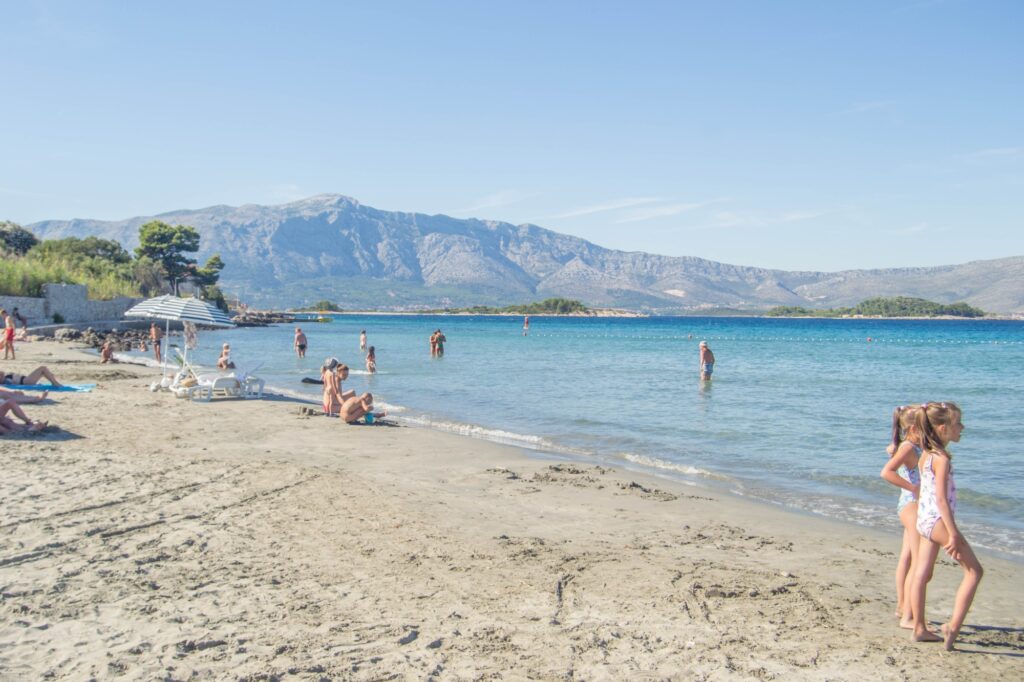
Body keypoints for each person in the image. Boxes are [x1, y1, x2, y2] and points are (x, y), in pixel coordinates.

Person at [908, 401, 981, 651]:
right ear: (942, 428)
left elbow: (927, 495)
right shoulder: (941, 458)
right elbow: (941, 498)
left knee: (922, 572)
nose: (962, 427)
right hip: (938, 521)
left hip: (924, 519)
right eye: (958, 423)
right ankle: (952, 628)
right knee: (974, 572)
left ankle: (919, 628)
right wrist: (953, 533)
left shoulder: (926, 455)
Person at [880, 405, 923, 629]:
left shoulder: (910, 445)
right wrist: (913, 488)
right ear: (914, 428)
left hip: (909, 504)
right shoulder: (908, 448)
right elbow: (886, 472)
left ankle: (901, 606)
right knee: (917, 560)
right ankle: (908, 615)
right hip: (911, 505)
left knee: (907, 557)